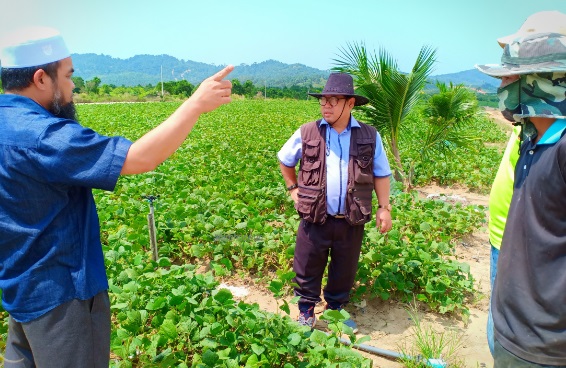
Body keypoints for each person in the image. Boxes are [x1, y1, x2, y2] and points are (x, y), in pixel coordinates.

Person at [0, 26, 233, 367]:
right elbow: (139, 158)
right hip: (63, 297)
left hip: (19, 288)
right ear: (40, 78)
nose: (73, 86)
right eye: (67, 76)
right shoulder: (45, 135)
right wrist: (194, 106)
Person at [476, 29, 566, 366]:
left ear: (538, 84)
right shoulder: (532, 140)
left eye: (507, 79)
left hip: (544, 341)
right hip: (515, 328)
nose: (500, 90)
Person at [277, 73, 393, 332]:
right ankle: (306, 310)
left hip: (351, 218)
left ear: (350, 103)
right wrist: (293, 188)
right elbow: (285, 160)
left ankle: (335, 310)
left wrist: (384, 208)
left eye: (333, 100)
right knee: (307, 264)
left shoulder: (369, 136)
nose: (326, 105)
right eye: (323, 101)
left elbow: (381, 173)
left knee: (345, 267)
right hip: (315, 216)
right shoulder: (308, 131)